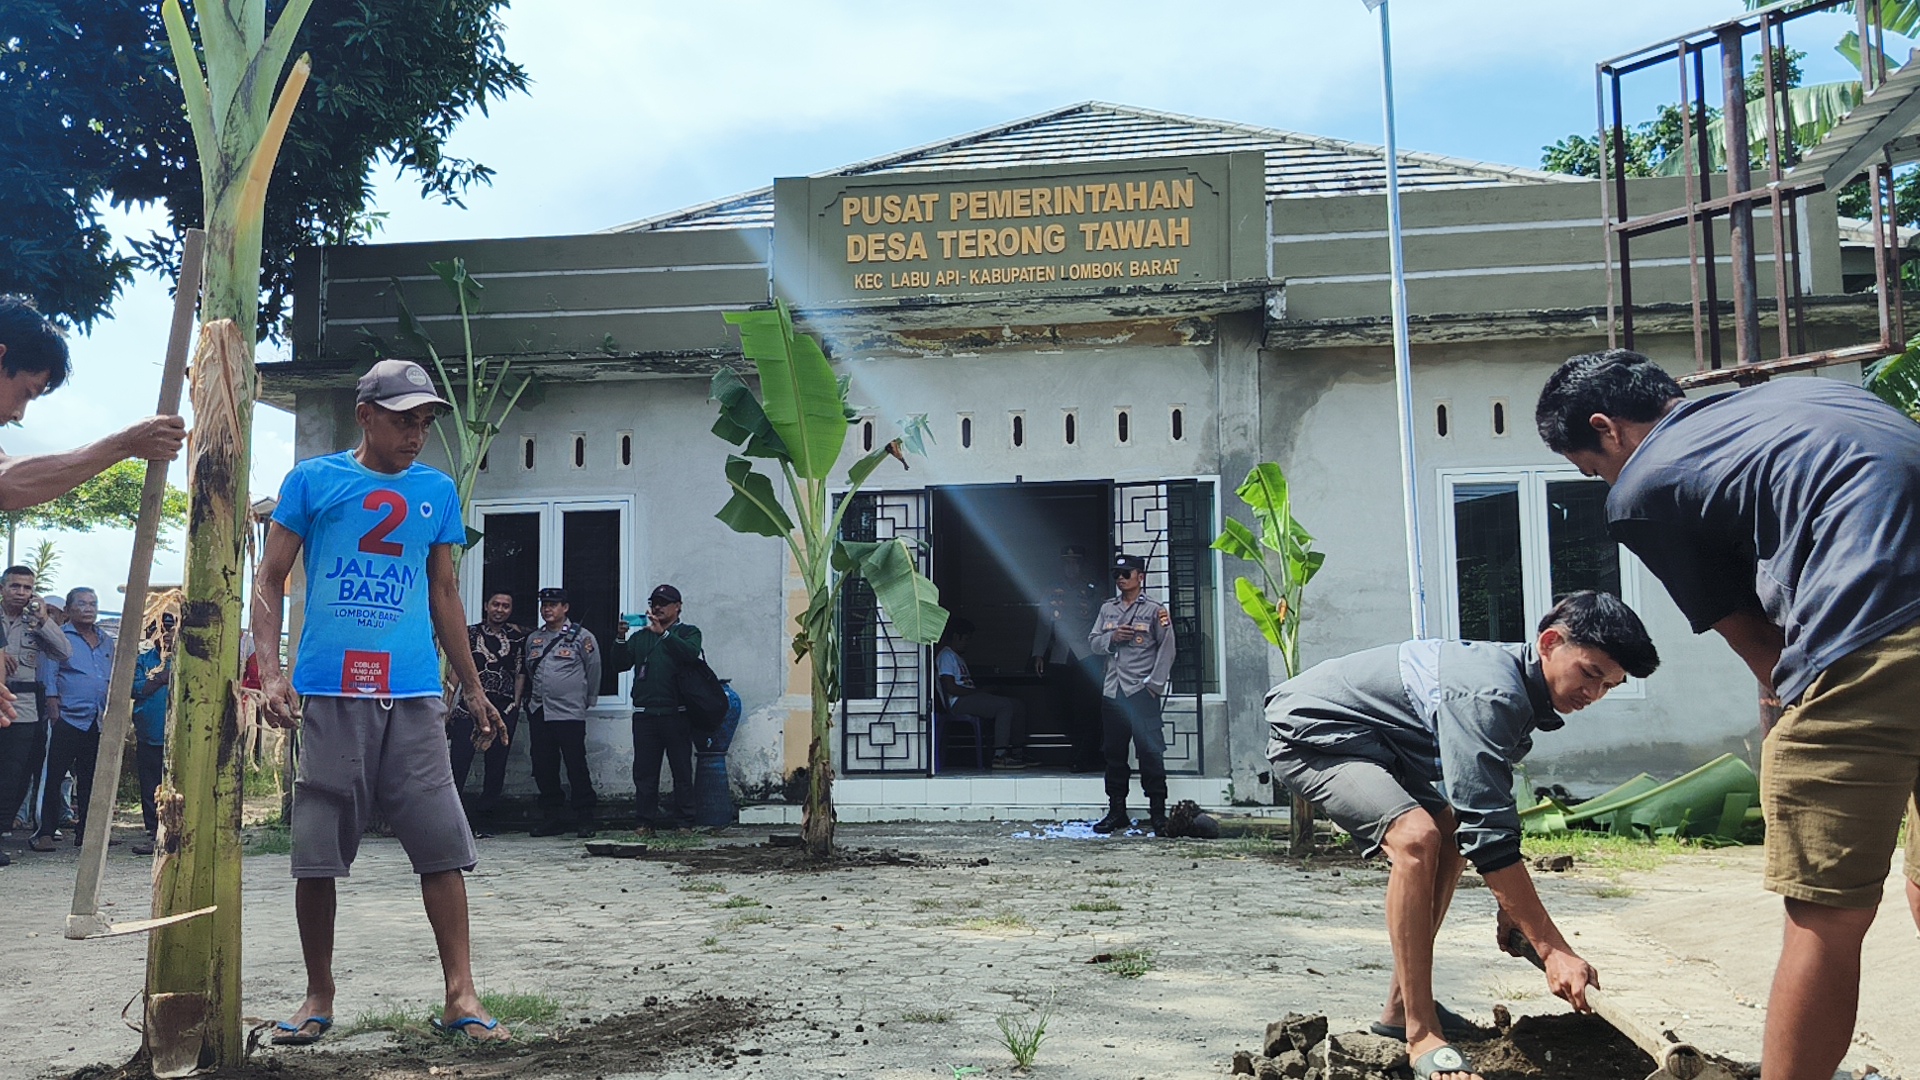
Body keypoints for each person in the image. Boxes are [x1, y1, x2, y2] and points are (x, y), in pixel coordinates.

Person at [1535, 349, 1920, 1080]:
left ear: (1606, 430)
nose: (1604, 484)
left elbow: (1763, 652)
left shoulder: (1645, 483)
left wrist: (1792, 732)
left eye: (1593, 468)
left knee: (1826, 914)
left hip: (1873, 635)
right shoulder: (1804, 399)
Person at [1267, 591, 1657, 1079]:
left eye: (1610, 686)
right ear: (1550, 642)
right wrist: (1553, 949)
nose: (1594, 694)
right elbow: (1491, 837)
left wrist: (1513, 915)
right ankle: (1420, 1032)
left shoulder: (1517, 697)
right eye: (1591, 674)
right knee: (1415, 837)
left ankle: (1396, 1011)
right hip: (1311, 731)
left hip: (1377, 742)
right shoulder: (1491, 694)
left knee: (1447, 830)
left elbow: (1486, 815)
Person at [252, 358, 508, 1045]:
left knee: (442, 845)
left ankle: (462, 994)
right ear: (365, 415)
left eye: (424, 421)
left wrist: (475, 687)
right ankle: (317, 994)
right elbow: (270, 579)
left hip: (416, 694)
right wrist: (270, 673)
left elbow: (445, 594)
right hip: (331, 692)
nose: (416, 434)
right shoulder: (312, 481)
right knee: (317, 849)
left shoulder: (436, 492)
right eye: (403, 419)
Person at [1089, 554, 1175, 833]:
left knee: (1150, 753)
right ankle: (1117, 811)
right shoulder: (1107, 609)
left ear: (1141, 576)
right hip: (1113, 691)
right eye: (1117, 574)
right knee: (1114, 754)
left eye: (1127, 573)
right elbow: (1093, 643)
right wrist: (1112, 639)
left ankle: (1158, 814)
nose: (1121, 579)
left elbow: (1167, 648)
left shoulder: (1154, 609)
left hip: (1141, 691)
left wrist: (1154, 685)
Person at [29, 587, 115, 852]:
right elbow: (48, 674)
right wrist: (53, 707)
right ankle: (44, 832)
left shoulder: (106, 640)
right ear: (68, 610)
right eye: (82, 604)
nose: (89, 608)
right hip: (65, 718)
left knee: (92, 779)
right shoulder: (59, 636)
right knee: (54, 777)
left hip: (96, 719)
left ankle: (88, 833)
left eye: (93, 603)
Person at [611, 583, 702, 832]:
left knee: (681, 770)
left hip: (677, 713)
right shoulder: (640, 637)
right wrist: (620, 638)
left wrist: (664, 633)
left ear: (678, 607)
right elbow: (619, 665)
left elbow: (690, 655)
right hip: (646, 715)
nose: (658, 607)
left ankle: (685, 822)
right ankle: (644, 821)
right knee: (645, 773)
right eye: (654, 603)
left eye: (663, 603)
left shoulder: (688, 632)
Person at [0, 566, 69, 864]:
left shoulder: (34, 622)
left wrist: (44, 621)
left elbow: (64, 652)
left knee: (12, 778)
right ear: (3, 587)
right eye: (15, 586)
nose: (21, 593)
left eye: (27, 588)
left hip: (23, 707)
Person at [525, 587, 601, 838]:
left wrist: (588, 699)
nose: (548, 609)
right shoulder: (535, 639)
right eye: (545, 604)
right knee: (544, 767)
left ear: (565, 608)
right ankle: (552, 816)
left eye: (554, 604)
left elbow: (594, 669)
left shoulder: (582, 637)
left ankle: (586, 817)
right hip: (540, 711)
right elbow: (528, 669)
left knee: (575, 766)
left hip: (569, 712)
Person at [449, 591, 526, 831]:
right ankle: (452, 819)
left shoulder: (517, 637)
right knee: (459, 761)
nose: (500, 609)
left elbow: (520, 670)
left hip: (503, 706)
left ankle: (485, 818)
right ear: (486, 606)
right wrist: (448, 702)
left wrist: (516, 702)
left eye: (505, 606)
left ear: (510, 610)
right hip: (468, 707)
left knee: (496, 765)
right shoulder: (469, 634)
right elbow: (456, 667)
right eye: (496, 604)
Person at [1031, 544, 1104, 771]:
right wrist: (1038, 653)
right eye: (1067, 562)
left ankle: (1086, 755)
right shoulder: (1053, 590)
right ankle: (1078, 750)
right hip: (1060, 655)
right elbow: (1044, 623)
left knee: (1087, 708)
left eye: (1075, 562)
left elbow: (1104, 622)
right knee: (1061, 707)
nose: (1071, 567)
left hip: (1088, 655)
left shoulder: (1093, 589)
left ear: (1082, 564)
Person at [935, 617, 1029, 769]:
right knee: (1004, 706)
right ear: (955, 636)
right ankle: (1000, 756)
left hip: (968, 698)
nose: (967, 643)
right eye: (966, 638)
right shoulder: (946, 656)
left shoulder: (958, 657)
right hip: (958, 702)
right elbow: (950, 688)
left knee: (1017, 705)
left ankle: (1017, 753)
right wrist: (978, 692)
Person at [130, 612, 177, 856]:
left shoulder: (186, 659)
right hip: (150, 732)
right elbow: (137, 688)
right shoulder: (142, 659)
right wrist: (162, 677)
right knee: (150, 785)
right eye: (161, 628)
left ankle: (176, 832)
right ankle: (154, 834)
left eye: (171, 628)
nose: (166, 633)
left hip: (179, 736)